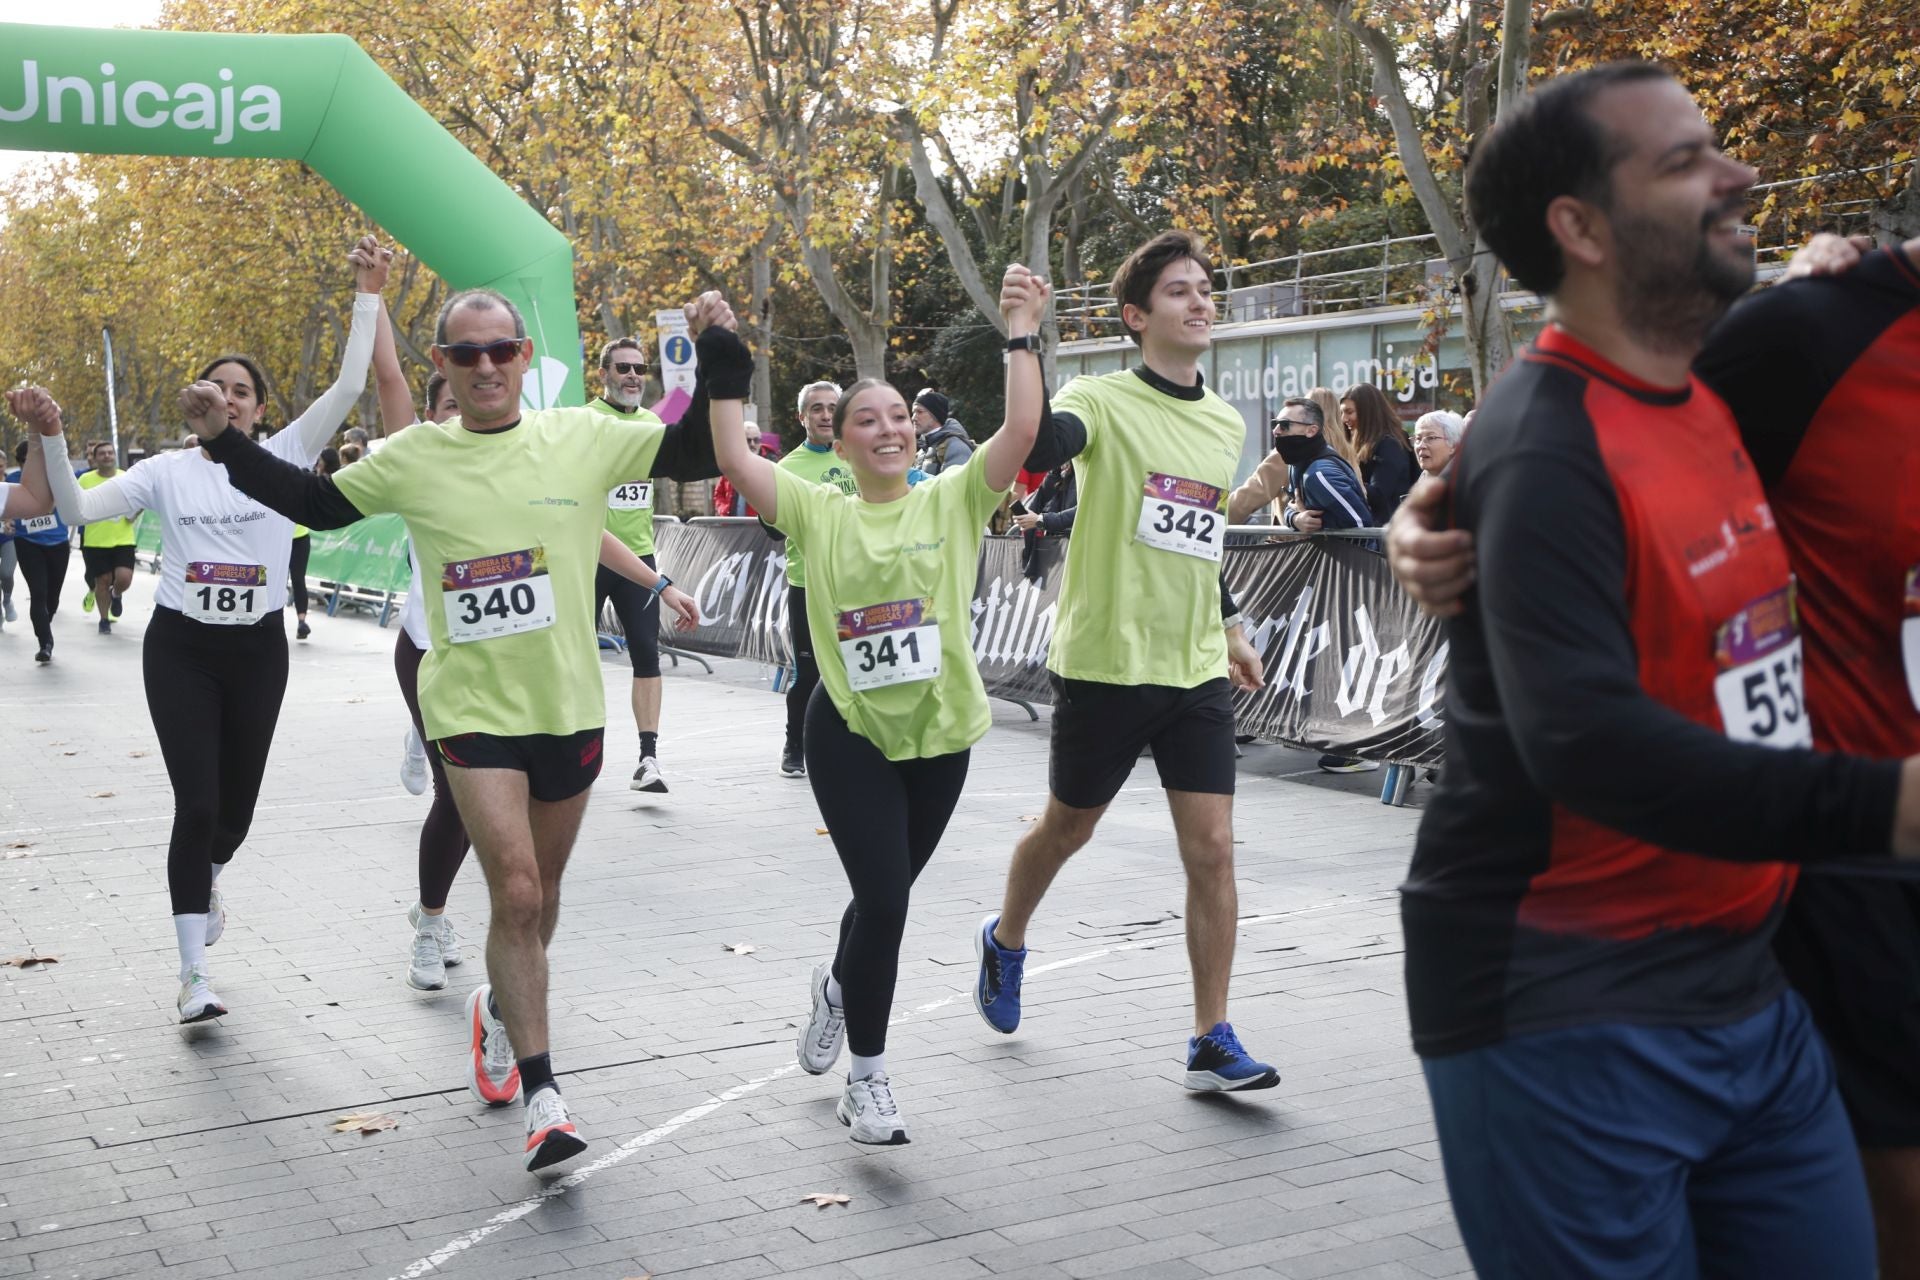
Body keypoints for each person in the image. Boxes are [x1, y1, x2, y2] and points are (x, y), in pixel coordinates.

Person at [1376, 63, 1920, 1278]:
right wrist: (1889, 804)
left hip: (1746, 985)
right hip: (1567, 1000)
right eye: (1685, 160)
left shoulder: (1701, 392)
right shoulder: (1554, 436)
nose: (1740, 175)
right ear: (1579, 226)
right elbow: (1585, 742)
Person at [188, 282, 731, 1174]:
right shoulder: (417, 456)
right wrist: (225, 440)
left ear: (524, 358)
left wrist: (717, 354)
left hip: (566, 709)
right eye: (464, 354)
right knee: (515, 892)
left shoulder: (582, 437)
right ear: (441, 365)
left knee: (540, 900)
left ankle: (499, 1008)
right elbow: (317, 506)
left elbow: (696, 445)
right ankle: (545, 1093)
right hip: (472, 711)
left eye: (500, 350)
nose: (485, 366)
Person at [709, 264, 1048, 1144]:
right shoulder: (817, 512)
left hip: (940, 738)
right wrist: (722, 362)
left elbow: (1021, 427)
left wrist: (1020, 330)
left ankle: (835, 986)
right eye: (870, 419)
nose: (889, 428)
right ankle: (868, 1080)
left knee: (880, 897)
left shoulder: (955, 498)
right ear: (844, 439)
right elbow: (733, 457)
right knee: (889, 904)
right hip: (852, 734)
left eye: (900, 416)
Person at [33, 235, 386, 1026]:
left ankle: (209, 871)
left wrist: (368, 290)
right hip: (183, 649)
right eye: (215, 389)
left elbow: (352, 382)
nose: (229, 400)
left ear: (259, 410)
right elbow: (78, 512)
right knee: (194, 806)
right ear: (196, 404)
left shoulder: (287, 452)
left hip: (257, 650)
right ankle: (194, 974)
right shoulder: (164, 471)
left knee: (234, 813)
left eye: (243, 392)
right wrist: (54, 439)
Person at [971, 229, 1275, 1093]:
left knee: (1213, 849)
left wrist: (1231, 628)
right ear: (1138, 316)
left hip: (1193, 672)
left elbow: (1199, 537)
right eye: (1180, 291)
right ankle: (1006, 938)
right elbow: (1031, 450)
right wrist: (1022, 335)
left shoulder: (1223, 422)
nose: (1201, 301)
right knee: (1070, 827)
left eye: (1207, 288)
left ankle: (1211, 1036)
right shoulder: (1099, 401)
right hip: (1105, 663)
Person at [767, 381, 932, 777]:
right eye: (817, 409)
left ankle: (872, 741)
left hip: (865, 585)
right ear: (802, 417)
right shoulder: (788, 467)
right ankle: (795, 745)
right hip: (810, 585)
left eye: (832, 408)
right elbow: (773, 530)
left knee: (872, 668)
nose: (825, 415)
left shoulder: (861, 455)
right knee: (809, 674)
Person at [589, 335, 676, 793]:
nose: (632, 376)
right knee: (575, 656)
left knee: (647, 653)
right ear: (602, 373)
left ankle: (648, 758)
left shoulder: (651, 424)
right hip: (585, 554)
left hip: (638, 558)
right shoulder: (584, 421)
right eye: (623, 368)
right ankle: (573, 747)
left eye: (639, 369)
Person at [9, 438, 77, 663]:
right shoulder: (13, 480)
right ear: (21, 462)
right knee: (38, 592)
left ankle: (45, 623)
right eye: (28, 461)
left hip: (57, 543)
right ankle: (45, 643)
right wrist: (7, 521)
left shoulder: (56, 479)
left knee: (52, 598)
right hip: (27, 543)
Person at [78, 443, 138, 634]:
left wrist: (134, 514)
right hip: (95, 540)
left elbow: (140, 500)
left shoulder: (126, 477)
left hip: (123, 538)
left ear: (115, 456)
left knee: (124, 578)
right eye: (102, 454)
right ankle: (104, 619)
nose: (107, 456)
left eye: (110, 453)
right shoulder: (85, 479)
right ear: (95, 458)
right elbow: (77, 503)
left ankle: (117, 593)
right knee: (102, 580)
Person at [1340, 382, 1417, 520]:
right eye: (1342, 412)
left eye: (1349, 412)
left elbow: (1379, 494)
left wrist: (1341, 481)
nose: (1344, 419)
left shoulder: (1389, 444)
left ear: (1368, 411)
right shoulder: (1358, 442)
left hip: (1388, 531)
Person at [1012, 459, 1075, 584]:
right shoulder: (1060, 464)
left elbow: (1085, 508)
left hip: (1080, 548)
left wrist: (1041, 520)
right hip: (1059, 548)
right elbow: (1041, 496)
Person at [911, 389, 973, 474]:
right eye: (913, 412)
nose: (913, 418)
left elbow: (956, 486)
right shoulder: (922, 450)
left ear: (936, 415)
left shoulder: (955, 447)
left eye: (920, 412)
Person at [1410, 410, 1465, 476]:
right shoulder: (1424, 479)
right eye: (1418, 438)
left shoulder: (1466, 482)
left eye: (1431, 438)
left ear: (1454, 446)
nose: (1421, 446)